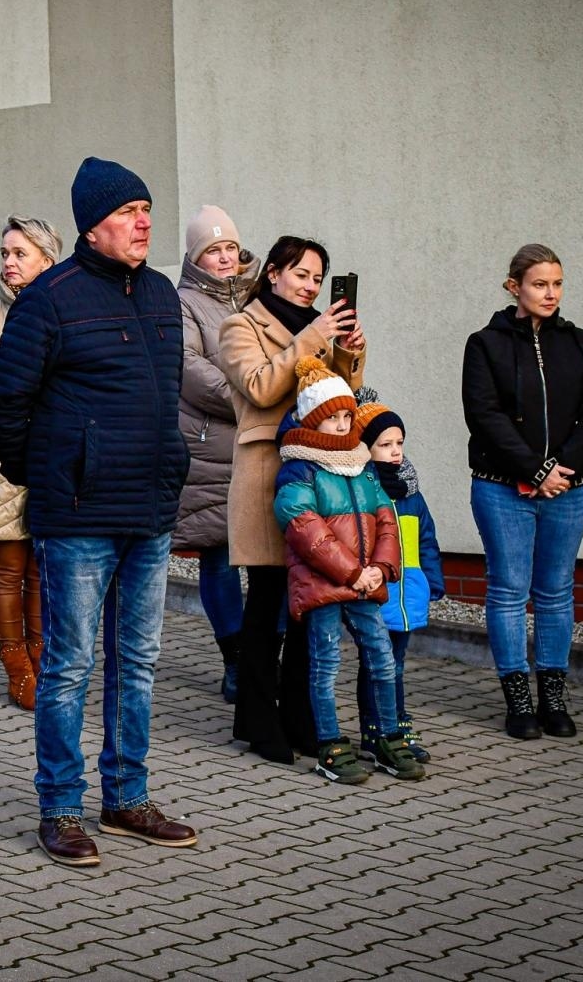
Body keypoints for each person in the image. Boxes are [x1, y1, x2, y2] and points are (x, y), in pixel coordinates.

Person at [0, 156, 197, 868]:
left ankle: (128, 799)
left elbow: (167, 399)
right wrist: (46, 470)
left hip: (150, 510)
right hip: (77, 515)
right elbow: (2, 404)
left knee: (138, 663)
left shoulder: (163, 294)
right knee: (69, 667)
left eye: (147, 209)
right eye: (129, 211)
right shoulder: (52, 298)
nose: (144, 222)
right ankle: (61, 808)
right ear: (92, 224)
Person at [217, 236, 364, 764]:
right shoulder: (241, 325)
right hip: (265, 477)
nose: (311, 286)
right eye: (301, 274)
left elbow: (340, 403)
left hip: (317, 479)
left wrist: (348, 353)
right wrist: (311, 338)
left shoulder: (319, 330)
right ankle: (258, 722)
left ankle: (303, 718)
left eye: (318, 279)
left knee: (310, 605)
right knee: (267, 605)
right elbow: (259, 386)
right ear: (274, 272)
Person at [462, 243, 583, 740]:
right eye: (540, 284)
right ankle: (518, 701)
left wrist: (562, 468)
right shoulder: (484, 344)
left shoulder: (581, 342)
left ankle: (553, 696)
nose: (551, 294)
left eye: (558, 284)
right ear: (514, 287)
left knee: (556, 592)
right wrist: (536, 469)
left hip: (570, 488)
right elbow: (485, 416)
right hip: (503, 489)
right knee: (508, 591)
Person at [272, 358, 424, 783]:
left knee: (381, 657)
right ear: (311, 421)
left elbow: (386, 519)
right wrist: (350, 572)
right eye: (331, 419)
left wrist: (380, 568)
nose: (341, 426)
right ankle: (330, 745)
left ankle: (388, 737)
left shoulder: (362, 464)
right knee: (324, 664)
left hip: (365, 581)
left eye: (345, 416)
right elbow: (304, 526)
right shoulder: (299, 468)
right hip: (324, 584)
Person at [0, 216, 63, 709]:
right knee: (7, 568)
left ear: (47, 257)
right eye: (5, 253)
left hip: (52, 458)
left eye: (20, 253)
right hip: (0, 459)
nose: (9, 262)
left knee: (43, 568)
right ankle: (17, 668)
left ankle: (43, 659)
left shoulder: (64, 308)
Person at [174, 205, 259, 703]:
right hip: (211, 445)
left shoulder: (258, 296)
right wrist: (251, 394)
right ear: (196, 256)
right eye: (213, 249)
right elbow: (187, 365)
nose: (224, 257)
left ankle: (265, 652)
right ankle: (235, 658)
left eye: (229, 247)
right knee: (221, 554)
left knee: (270, 558)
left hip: (265, 444)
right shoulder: (183, 302)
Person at [355, 395, 445, 762]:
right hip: (378, 593)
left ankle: (395, 724)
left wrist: (432, 581)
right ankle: (377, 729)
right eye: (385, 444)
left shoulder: (411, 494)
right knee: (376, 662)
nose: (395, 452)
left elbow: (427, 539)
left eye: (399, 443)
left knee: (396, 662)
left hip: (407, 592)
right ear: (365, 448)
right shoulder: (363, 490)